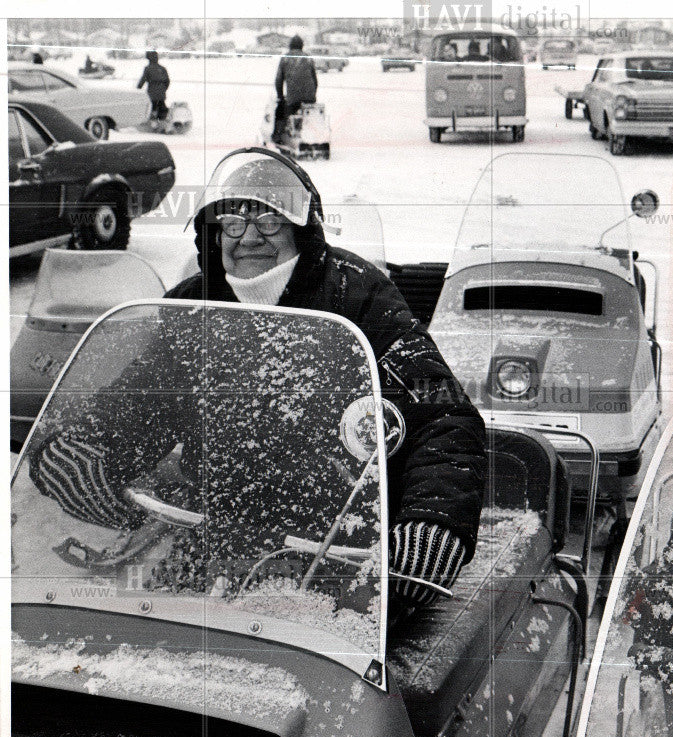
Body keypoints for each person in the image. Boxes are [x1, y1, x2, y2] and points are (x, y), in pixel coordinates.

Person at [29, 148, 487, 610]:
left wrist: (433, 520)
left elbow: (443, 414)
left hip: (341, 546)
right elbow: (138, 403)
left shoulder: (357, 292)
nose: (249, 237)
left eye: (269, 219)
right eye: (232, 222)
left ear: (301, 229)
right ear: (213, 234)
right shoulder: (192, 305)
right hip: (213, 535)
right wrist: (82, 450)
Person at [272, 34, 317, 144]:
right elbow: (315, 80)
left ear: (290, 45)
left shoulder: (285, 58)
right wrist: (312, 95)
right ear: (302, 45)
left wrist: (280, 96)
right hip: (309, 97)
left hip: (293, 97)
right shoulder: (308, 58)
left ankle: (278, 135)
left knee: (280, 110)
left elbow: (279, 80)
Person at [137, 50, 170, 132]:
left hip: (152, 93)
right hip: (162, 93)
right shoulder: (162, 68)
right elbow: (167, 81)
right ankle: (163, 126)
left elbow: (142, 80)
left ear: (149, 59)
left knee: (152, 108)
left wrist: (137, 89)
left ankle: (153, 126)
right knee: (162, 108)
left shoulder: (148, 69)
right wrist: (163, 89)